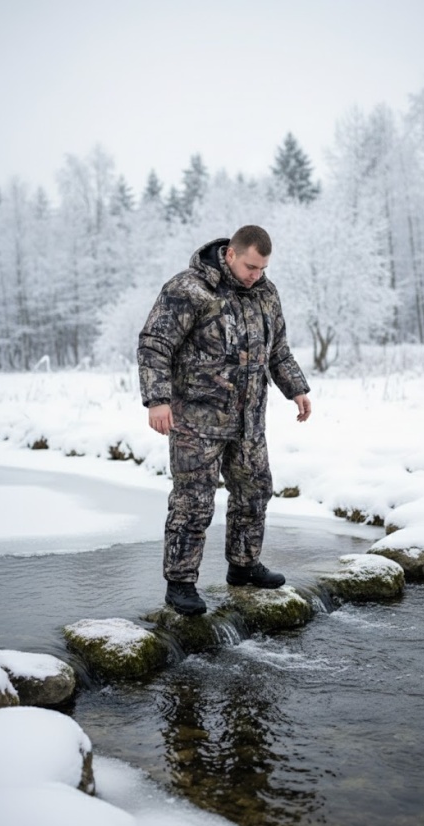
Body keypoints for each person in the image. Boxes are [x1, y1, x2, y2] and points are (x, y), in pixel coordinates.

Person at [138, 225, 311, 616]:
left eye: (263, 268)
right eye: (251, 266)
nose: (257, 275)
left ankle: (244, 566)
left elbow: (278, 350)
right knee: (193, 502)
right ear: (230, 254)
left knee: (255, 491)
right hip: (197, 421)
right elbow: (154, 343)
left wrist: (297, 389)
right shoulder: (188, 289)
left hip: (249, 420)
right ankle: (180, 583)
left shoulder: (265, 293)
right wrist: (157, 399)